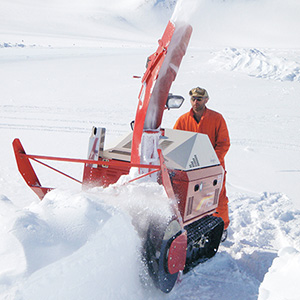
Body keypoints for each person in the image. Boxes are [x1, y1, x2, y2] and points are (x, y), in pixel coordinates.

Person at [173, 87, 230, 233]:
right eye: (193, 99)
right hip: (191, 169)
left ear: (206, 100)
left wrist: (211, 161)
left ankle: (221, 228)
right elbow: (176, 142)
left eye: (199, 99)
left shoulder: (217, 118)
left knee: (218, 199)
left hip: (213, 167)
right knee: (192, 201)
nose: (195, 102)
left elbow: (224, 143)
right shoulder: (183, 120)